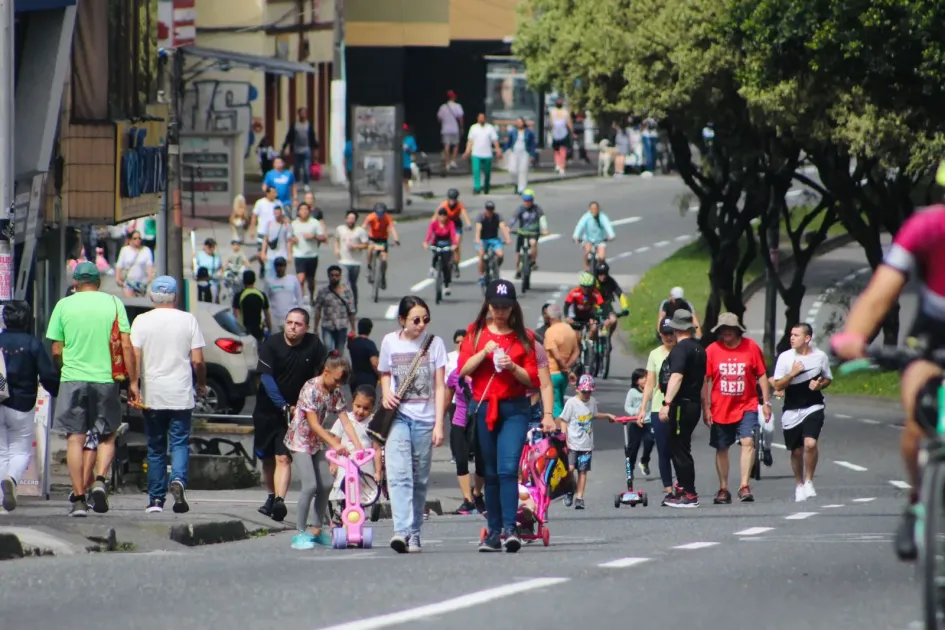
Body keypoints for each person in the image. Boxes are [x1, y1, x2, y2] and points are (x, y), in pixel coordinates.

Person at [831, 204, 945, 561]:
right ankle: (918, 500)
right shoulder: (926, 228)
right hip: (933, 339)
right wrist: (854, 336)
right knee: (918, 418)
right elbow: (880, 292)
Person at [459, 280, 552, 553]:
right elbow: (463, 369)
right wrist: (483, 353)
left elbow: (533, 379)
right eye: (496, 306)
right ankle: (494, 531)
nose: (500, 312)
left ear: (513, 307)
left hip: (515, 409)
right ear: (488, 306)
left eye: (505, 307)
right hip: (485, 407)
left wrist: (512, 366)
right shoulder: (476, 332)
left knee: (508, 469)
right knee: (489, 473)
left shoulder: (524, 337)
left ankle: (511, 529)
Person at [47, 262, 137, 517]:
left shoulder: (63, 305)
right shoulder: (114, 303)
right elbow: (126, 345)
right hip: (106, 379)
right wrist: (132, 382)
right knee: (106, 435)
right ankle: (99, 480)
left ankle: (78, 499)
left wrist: (65, 370)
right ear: (98, 282)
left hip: (73, 378)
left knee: (75, 439)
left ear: (75, 282)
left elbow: (56, 349)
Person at [130, 276, 207, 514]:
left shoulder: (141, 321)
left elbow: (135, 357)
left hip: (153, 394)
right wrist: (201, 383)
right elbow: (198, 361)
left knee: (155, 447)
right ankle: (179, 480)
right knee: (180, 442)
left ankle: (155, 499)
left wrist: (133, 385)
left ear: (152, 296)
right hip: (181, 392)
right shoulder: (188, 320)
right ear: (176, 296)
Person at [378, 296, 448, 554]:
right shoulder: (390, 341)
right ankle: (401, 530)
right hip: (398, 416)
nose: (421, 325)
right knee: (399, 475)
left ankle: (415, 532)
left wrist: (439, 423)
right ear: (402, 320)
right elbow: (385, 372)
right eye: (415, 320)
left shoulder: (435, 344)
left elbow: (440, 386)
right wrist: (386, 392)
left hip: (425, 419)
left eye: (425, 319)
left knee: (419, 478)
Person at [254, 308, 328, 522]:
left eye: (298, 324)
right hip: (268, 411)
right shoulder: (271, 344)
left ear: (306, 328)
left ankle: (279, 501)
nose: (293, 327)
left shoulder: (314, 344)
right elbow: (266, 379)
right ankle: (271, 497)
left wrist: (311, 402)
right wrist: (283, 405)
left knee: (283, 457)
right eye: (289, 322)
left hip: (295, 413)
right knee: (267, 459)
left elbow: (322, 375)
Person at [285, 354, 363, 549]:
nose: (339, 385)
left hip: (317, 441)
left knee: (327, 483)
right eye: (337, 380)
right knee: (310, 485)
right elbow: (313, 424)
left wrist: (358, 445)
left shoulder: (335, 392)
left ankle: (317, 529)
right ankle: (300, 532)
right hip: (300, 440)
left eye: (342, 382)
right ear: (326, 372)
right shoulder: (310, 388)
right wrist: (335, 444)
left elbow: (345, 421)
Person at [702, 313, 772, 504]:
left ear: (737, 330)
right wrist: (706, 407)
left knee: (747, 441)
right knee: (721, 447)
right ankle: (723, 488)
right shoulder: (712, 350)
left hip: (747, 404)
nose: (726, 332)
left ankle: (744, 486)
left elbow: (762, 375)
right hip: (721, 407)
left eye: (730, 329)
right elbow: (705, 380)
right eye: (722, 329)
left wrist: (766, 403)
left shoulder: (751, 347)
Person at [0, 301, 60, 513]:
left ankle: (1, 496)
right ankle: (12, 479)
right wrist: (57, 391)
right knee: (20, 450)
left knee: (1, 451)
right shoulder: (32, 344)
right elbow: (47, 374)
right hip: (22, 403)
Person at [775, 323, 832, 503]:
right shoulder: (785, 357)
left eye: (796, 335)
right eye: (791, 334)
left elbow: (827, 378)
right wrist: (792, 374)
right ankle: (799, 484)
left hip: (813, 406)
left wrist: (820, 385)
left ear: (807, 338)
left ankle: (809, 481)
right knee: (797, 451)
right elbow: (777, 385)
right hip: (791, 409)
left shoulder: (820, 356)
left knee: (810, 443)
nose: (792, 338)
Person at [658, 309, 707, 509]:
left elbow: (676, 376)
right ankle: (682, 487)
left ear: (676, 328)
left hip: (682, 404)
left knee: (679, 448)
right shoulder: (700, 349)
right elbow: (703, 381)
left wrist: (666, 404)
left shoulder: (680, 349)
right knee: (680, 445)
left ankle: (689, 493)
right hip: (693, 403)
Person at [557, 374, 615, 509]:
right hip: (572, 443)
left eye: (589, 392)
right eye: (584, 391)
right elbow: (563, 420)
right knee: (570, 469)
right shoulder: (571, 403)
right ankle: (569, 490)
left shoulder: (592, 401)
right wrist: (564, 437)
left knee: (583, 471)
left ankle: (579, 498)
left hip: (586, 444)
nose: (586, 394)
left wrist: (607, 415)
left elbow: (594, 415)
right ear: (577, 389)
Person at [328, 385, 383, 520]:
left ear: (372, 408)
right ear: (352, 402)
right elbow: (334, 443)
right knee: (343, 489)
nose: (361, 411)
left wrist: (378, 471)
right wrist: (333, 463)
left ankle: (359, 520)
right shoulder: (344, 419)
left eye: (366, 408)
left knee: (361, 495)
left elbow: (376, 449)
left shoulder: (373, 423)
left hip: (364, 465)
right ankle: (339, 511)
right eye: (358, 406)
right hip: (345, 463)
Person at [638, 318, 678, 498]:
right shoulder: (654, 354)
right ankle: (668, 489)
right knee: (663, 450)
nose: (669, 337)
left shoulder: (682, 351)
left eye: (671, 333)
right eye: (665, 334)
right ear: (660, 334)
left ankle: (682, 484)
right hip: (658, 408)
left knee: (679, 449)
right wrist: (642, 408)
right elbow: (649, 384)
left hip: (679, 406)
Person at [541, 303, 580, 417]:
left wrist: (564, 367)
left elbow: (557, 356)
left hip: (552, 373)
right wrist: (568, 367)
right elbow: (576, 351)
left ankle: (560, 427)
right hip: (564, 376)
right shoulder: (570, 330)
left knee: (554, 406)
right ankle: (562, 425)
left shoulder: (550, 332)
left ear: (549, 317)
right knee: (560, 402)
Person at [313, 265, 356, 353]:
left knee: (340, 352)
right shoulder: (323, 292)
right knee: (328, 350)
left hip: (342, 326)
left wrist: (353, 329)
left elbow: (351, 311)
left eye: (337, 275)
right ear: (328, 276)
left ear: (340, 276)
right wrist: (315, 328)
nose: (334, 278)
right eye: (332, 275)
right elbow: (318, 309)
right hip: (327, 326)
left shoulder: (347, 292)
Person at [334, 210, 369, 311]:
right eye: (349, 218)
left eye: (352, 219)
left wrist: (356, 246)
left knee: (352, 283)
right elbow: (336, 239)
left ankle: (354, 303)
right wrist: (336, 249)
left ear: (355, 220)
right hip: (343, 261)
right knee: (344, 283)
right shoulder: (340, 229)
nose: (350, 220)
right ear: (346, 219)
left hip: (355, 262)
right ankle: (344, 304)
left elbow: (366, 245)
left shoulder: (360, 231)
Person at [291, 202, 326, 303]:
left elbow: (323, 237)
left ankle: (311, 296)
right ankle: (300, 299)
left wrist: (313, 236)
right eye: (302, 209)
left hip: (312, 255)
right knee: (301, 279)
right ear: (298, 212)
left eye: (306, 209)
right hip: (299, 255)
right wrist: (293, 240)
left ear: (309, 211)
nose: (304, 212)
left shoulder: (315, 223)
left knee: (310, 280)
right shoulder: (294, 224)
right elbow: (289, 237)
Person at [508, 189, 548, 278]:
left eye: (529, 200)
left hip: (533, 232)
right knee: (518, 254)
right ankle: (518, 270)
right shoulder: (520, 209)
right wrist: (509, 227)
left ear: (532, 200)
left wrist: (545, 229)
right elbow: (514, 218)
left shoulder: (537, 209)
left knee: (533, 243)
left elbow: (542, 219)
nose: (527, 203)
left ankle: (533, 261)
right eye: (525, 200)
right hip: (522, 233)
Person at [624, 368, 654, 479]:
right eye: (642, 378)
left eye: (646, 377)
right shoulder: (632, 392)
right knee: (633, 448)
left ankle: (644, 461)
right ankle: (630, 470)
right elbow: (627, 407)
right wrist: (637, 412)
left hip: (648, 421)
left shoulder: (651, 390)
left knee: (650, 441)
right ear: (636, 381)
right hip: (635, 422)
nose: (645, 379)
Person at [463, 113, 502, 195]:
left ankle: (486, 187)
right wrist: (467, 151)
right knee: (476, 171)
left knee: (487, 173)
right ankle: (477, 188)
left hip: (487, 154)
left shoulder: (490, 128)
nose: (481, 119)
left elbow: (495, 140)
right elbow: (470, 140)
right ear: (477, 119)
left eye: (482, 118)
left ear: (485, 119)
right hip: (476, 154)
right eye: (480, 118)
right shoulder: (473, 128)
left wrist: (498, 151)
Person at [363, 203, 401, 285]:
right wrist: (361, 237)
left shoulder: (387, 218)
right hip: (373, 238)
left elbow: (392, 228)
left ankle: (383, 275)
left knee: (384, 259)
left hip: (383, 239)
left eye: (382, 214)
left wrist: (396, 239)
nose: (380, 216)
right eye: (378, 214)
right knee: (370, 249)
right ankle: (369, 266)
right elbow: (364, 227)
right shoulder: (370, 217)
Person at [435, 189, 472, 273]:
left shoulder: (459, 205)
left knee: (456, 245)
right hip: (446, 225)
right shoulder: (443, 205)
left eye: (454, 199)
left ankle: (456, 264)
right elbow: (436, 216)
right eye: (450, 199)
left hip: (456, 225)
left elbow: (465, 214)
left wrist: (468, 224)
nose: (452, 201)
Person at [281, 107, 319, 188]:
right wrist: (284, 147)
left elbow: (313, 138)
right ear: (298, 114)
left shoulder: (309, 125)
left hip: (306, 150)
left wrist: (315, 150)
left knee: (306, 168)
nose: (303, 115)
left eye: (304, 113)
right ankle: (297, 182)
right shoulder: (295, 125)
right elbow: (289, 137)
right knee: (296, 168)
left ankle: (306, 184)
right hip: (297, 150)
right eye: (301, 113)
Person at [475, 201, 511, 286]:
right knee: (481, 255)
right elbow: (478, 228)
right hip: (483, 239)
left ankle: (495, 267)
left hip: (494, 239)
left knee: (500, 255)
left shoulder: (497, 216)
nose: (490, 212)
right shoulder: (481, 216)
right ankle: (481, 275)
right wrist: (477, 239)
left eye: (491, 210)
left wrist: (507, 238)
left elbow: (502, 227)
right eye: (488, 210)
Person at [423, 208, 458, 295]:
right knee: (436, 254)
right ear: (438, 216)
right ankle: (432, 268)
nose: (442, 217)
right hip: (436, 244)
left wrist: (454, 244)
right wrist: (425, 242)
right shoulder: (434, 224)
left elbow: (453, 235)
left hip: (447, 245)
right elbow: (429, 234)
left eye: (444, 215)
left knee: (447, 266)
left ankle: (446, 286)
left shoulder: (450, 224)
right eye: (440, 215)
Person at [572, 202, 616, 271]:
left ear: (598, 209)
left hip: (600, 240)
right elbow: (580, 225)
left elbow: (607, 225)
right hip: (588, 240)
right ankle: (586, 269)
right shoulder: (586, 217)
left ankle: (601, 272)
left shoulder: (602, 216)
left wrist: (611, 235)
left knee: (601, 257)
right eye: (592, 209)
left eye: (595, 209)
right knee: (587, 251)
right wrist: (575, 236)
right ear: (589, 209)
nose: (594, 210)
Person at [265, 257, 303, 335]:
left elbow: (299, 297)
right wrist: (265, 317)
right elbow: (265, 300)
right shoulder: (269, 281)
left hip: (291, 317)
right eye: (277, 266)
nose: (279, 268)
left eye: (281, 266)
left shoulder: (293, 279)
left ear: (285, 266)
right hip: (275, 318)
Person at [564, 272, 605, 342]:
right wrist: (567, 317)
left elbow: (602, 305)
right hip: (576, 316)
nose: (587, 290)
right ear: (580, 286)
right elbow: (566, 306)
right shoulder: (574, 292)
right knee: (575, 337)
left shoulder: (595, 293)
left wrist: (601, 316)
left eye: (589, 287)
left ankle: (592, 343)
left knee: (594, 328)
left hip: (589, 316)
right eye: (584, 287)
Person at [232, 269, 271, 341]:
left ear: (243, 281)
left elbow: (235, 316)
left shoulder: (238, 295)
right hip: (258, 331)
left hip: (244, 332)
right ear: (254, 280)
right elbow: (267, 315)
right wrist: (269, 329)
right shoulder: (261, 294)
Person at [503, 117, 537, 195]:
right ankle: (516, 183)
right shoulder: (513, 132)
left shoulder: (529, 132)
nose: (519, 124)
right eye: (517, 122)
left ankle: (521, 189)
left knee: (523, 170)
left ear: (523, 123)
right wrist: (503, 151)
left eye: (521, 122)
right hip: (514, 152)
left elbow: (532, 144)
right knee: (512, 170)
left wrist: (532, 155)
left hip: (524, 152)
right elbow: (509, 142)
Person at [115, 230, 154, 297]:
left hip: (142, 282)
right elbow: (119, 265)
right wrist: (117, 278)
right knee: (130, 301)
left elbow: (149, 265)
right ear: (130, 240)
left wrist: (150, 277)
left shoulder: (146, 250)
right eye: (135, 238)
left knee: (139, 302)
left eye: (139, 238)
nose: (138, 240)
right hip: (129, 282)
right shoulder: (125, 250)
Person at [595, 262, 629, 337]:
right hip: (594, 306)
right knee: (593, 326)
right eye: (600, 274)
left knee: (614, 320)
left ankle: (608, 337)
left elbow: (620, 294)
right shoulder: (594, 282)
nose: (603, 276)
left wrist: (624, 307)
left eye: (605, 274)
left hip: (607, 306)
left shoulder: (611, 281)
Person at [260, 205, 294, 281]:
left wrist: (289, 254)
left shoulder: (287, 225)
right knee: (269, 275)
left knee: (281, 276)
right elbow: (265, 239)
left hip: (282, 254)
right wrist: (263, 252)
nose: (277, 215)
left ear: (281, 213)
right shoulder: (269, 224)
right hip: (270, 255)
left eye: (278, 212)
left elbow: (289, 241)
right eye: (275, 213)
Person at [347, 318, 379, 396]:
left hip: (354, 378)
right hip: (368, 379)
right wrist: (380, 375)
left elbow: (349, 344)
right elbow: (374, 363)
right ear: (370, 330)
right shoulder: (370, 344)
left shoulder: (353, 343)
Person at [249, 186, 282, 260]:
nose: (275, 194)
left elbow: (282, 216)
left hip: (274, 233)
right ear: (267, 193)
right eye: (273, 192)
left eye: (275, 192)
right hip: (262, 231)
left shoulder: (278, 203)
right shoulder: (260, 203)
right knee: (261, 253)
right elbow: (254, 216)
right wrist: (252, 230)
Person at [437, 90, 464, 170]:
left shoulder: (442, 107)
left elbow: (439, 118)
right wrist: (462, 127)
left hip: (445, 129)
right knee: (455, 145)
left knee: (447, 145)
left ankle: (447, 162)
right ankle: (453, 161)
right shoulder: (457, 106)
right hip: (454, 129)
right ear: (454, 97)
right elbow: (460, 118)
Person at [548, 97, 573, 175]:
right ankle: (558, 165)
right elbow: (551, 122)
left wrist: (572, 132)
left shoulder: (565, 111)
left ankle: (561, 166)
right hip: (556, 133)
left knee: (562, 151)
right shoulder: (553, 111)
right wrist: (550, 129)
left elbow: (569, 122)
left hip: (563, 133)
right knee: (557, 151)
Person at [194, 238, 223, 303]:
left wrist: (219, 273)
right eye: (210, 247)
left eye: (213, 247)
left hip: (214, 282)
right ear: (205, 246)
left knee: (214, 298)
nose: (211, 249)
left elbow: (220, 267)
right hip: (203, 281)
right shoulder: (199, 255)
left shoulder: (216, 257)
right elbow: (194, 267)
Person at [402, 123, 418, 205]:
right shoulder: (396, 138)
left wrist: (407, 149)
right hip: (397, 164)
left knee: (406, 181)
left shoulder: (410, 139)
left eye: (405, 130)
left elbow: (414, 151)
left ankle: (408, 197)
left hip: (406, 164)